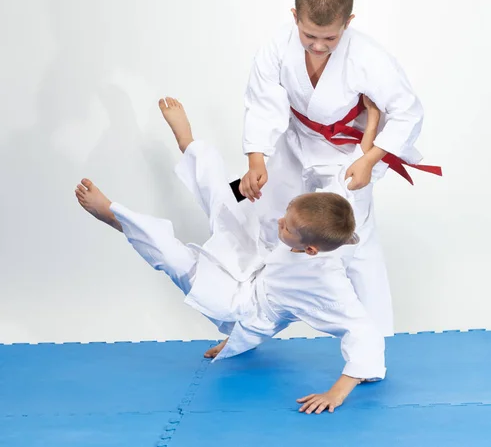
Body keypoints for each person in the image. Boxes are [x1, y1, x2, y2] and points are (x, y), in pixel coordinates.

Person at [76, 98, 386, 414]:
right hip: (256, 263)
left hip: (240, 308)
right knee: (226, 202)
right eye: (287, 214)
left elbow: (364, 333)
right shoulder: (331, 210)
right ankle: (188, 143)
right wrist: (373, 118)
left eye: (288, 226)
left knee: (175, 258)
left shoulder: (327, 282)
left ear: (310, 250)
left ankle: (118, 219)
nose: (281, 220)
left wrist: (338, 392)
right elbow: (358, 167)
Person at [238, 0, 441, 337]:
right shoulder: (275, 47)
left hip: (350, 151)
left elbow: (408, 111)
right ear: (294, 16)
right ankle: (251, 321)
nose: (318, 46)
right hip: (294, 138)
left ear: (348, 22)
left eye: (330, 37)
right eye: (309, 35)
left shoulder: (369, 57)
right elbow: (263, 102)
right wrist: (256, 157)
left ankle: (370, 339)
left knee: (353, 237)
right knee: (270, 219)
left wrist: (369, 159)